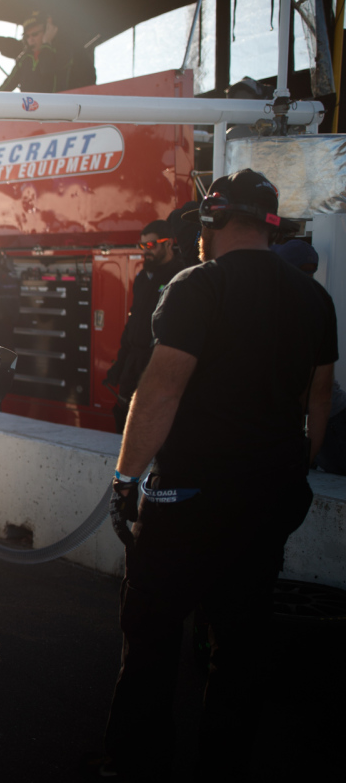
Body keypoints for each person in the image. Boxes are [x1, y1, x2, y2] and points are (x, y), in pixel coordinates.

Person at [101, 170, 337, 780]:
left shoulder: (198, 285)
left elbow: (158, 393)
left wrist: (126, 481)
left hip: (191, 497)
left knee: (152, 634)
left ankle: (135, 765)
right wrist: (292, 470)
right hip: (271, 494)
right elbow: (318, 401)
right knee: (241, 646)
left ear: (213, 221)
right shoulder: (315, 297)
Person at [105, 221, 189, 432]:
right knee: (122, 422)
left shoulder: (181, 278)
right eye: (142, 246)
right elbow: (134, 324)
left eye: (151, 245)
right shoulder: (143, 277)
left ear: (168, 244)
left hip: (156, 368)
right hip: (133, 366)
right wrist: (120, 365)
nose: (145, 251)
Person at [272, 239, 346, 475]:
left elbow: (313, 392)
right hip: (325, 418)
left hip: (330, 420)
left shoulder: (296, 308)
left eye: (311, 272)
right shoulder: (308, 302)